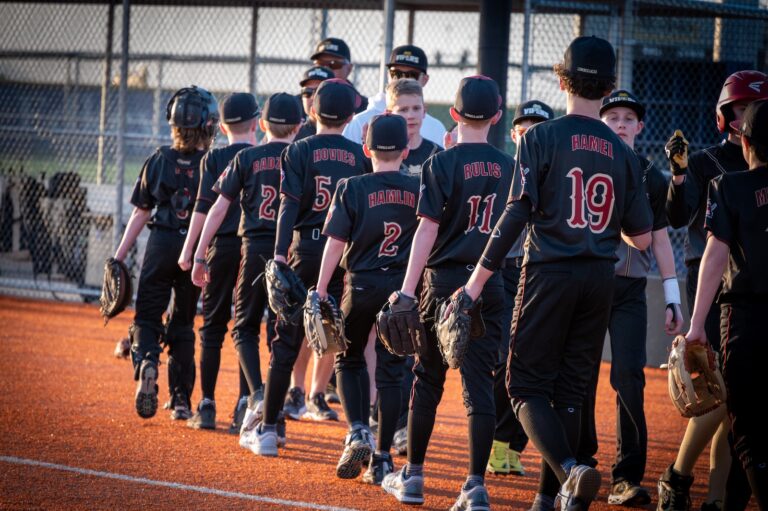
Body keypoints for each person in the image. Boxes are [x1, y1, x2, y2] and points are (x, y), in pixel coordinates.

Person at [453, 37, 653, 511]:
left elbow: (515, 216)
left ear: (562, 80)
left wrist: (474, 284)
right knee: (569, 389)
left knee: (523, 387)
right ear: (609, 86)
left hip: (548, 272)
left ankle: (571, 469)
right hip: (600, 280)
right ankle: (549, 499)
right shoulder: (624, 153)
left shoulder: (540, 137)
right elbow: (642, 238)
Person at [381, 75, 511, 509]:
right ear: (496, 115)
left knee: (427, 378)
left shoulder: (441, 162)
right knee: (480, 385)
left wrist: (406, 292)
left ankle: (414, 477)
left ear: (453, 116)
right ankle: (475, 486)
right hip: (487, 284)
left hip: (441, 283)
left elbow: (426, 230)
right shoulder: (510, 167)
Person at [246, 79, 371, 456]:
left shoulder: (298, 150)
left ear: (312, 112)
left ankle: (269, 430)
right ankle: (358, 433)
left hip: (304, 251)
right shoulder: (359, 153)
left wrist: (280, 254)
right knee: (342, 342)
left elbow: (288, 205)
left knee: (286, 340)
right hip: (344, 256)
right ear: (350, 116)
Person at [661, 70, 767, 511]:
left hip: (750, 283)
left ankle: (713, 494)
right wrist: (680, 176)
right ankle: (681, 476)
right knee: (724, 391)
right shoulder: (709, 162)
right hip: (712, 278)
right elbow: (678, 218)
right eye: (738, 109)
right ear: (725, 116)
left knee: (735, 400)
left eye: (752, 109)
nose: (746, 117)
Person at [190, 92, 302, 452]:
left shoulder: (247, 156)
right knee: (283, 335)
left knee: (244, 327)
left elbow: (218, 208)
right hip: (293, 253)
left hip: (254, 250)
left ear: (263, 124)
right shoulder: (302, 156)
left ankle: (255, 396)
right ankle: (275, 417)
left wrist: (197, 254)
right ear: (299, 126)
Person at [316, 113, 420, 484]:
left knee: (347, 357)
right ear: (406, 149)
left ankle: (358, 429)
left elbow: (335, 243)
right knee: (393, 373)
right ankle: (381, 458)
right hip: (402, 291)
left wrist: (321, 286)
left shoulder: (352, 186)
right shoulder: (418, 186)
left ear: (366, 149)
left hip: (359, 285)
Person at [114, 86, 219, 420]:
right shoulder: (212, 162)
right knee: (184, 323)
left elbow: (140, 212)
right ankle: (181, 401)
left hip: (160, 244)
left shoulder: (159, 159)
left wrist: (118, 256)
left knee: (147, 316)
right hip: (197, 247)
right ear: (208, 125)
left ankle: (147, 360)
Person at [175, 92, 258, 432]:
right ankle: (243, 403)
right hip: (254, 247)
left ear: (222, 126)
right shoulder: (264, 155)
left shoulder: (213, 158)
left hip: (220, 247)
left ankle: (207, 404)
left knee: (213, 326)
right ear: (256, 123)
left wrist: (192, 250)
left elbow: (203, 208)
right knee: (247, 328)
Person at [487, 99, 555, 478]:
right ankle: (498, 442)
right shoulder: (504, 171)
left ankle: (514, 445)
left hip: (546, 274)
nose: (528, 133)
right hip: (508, 271)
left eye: (536, 127)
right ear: (513, 134)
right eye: (522, 127)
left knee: (537, 361)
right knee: (507, 359)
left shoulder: (556, 173)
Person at [343, 45, 446, 147]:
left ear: (425, 80)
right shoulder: (360, 122)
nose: (402, 79)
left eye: (411, 75)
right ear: (388, 75)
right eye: (396, 73)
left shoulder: (436, 128)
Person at [310, 37, 368, 113]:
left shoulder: (364, 107)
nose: (326, 69)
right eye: (320, 64)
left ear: (349, 69)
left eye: (334, 64)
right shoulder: (299, 105)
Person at [296, 66, 334, 141]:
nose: (313, 97)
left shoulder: (346, 132)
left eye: (319, 91)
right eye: (307, 92)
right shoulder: (292, 135)